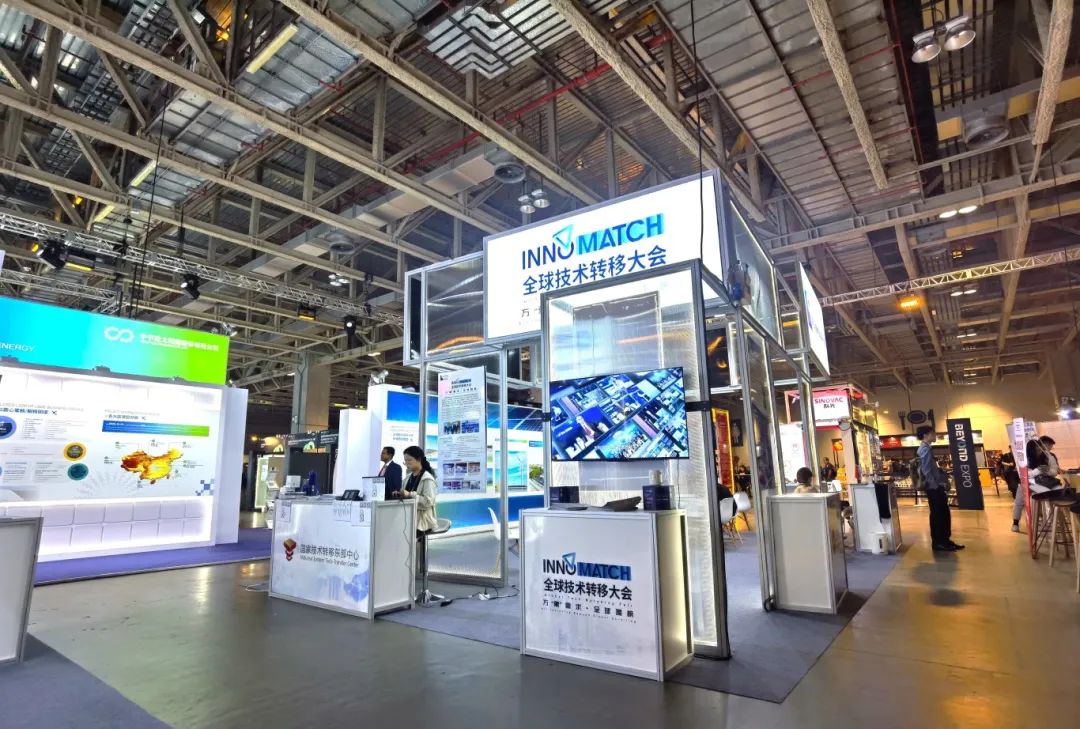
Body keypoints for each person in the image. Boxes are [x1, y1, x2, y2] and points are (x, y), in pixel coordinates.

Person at [917, 425, 963, 552]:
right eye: (933, 433)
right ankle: (939, 542)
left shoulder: (926, 448)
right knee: (939, 515)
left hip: (935, 487)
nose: (935, 435)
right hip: (933, 488)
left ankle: (945, 540)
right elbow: (926, 471)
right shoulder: (925, 449)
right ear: (925, 435)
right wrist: (935, 486)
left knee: (942, 513)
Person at [1012, 436, 1071, 532]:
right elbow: (1023, 475)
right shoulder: (1024, 459)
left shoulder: (1048, 456)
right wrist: (1038, 471)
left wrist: (1046, 471)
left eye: (1040, 447)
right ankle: (1015, 522)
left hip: (1045, 482)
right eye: (1037, 448)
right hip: (1028, 483)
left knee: (1058, 492)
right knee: (1019, 501)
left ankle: (1056, 521)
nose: (1040, 450)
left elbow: (1054, 471)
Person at [394, 445, 438, 534]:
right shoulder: (407, 478)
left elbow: (428, 502)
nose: (406, 463)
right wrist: (399, 494)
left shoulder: (427, 479)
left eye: (409, 460)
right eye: (405, 460)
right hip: (408, 519)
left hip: (422, 523)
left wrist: (410, 494)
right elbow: (405, 495)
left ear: (419, 459)